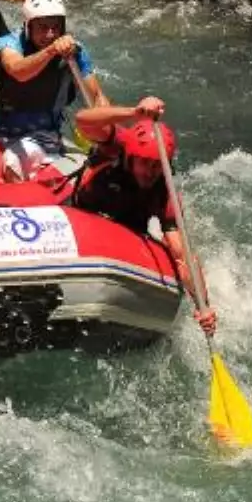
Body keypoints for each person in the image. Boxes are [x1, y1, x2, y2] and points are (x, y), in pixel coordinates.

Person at [72, 96, 217, 336]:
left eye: (158, 165)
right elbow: (83, 121)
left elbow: (182, 257)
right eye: (146, 163)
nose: (151, 172)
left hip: (128, 234)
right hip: (81, 215)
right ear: (131, 159)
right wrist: (134, 112)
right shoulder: (116, 147)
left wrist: (204, 306)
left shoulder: (164, 191)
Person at [0, 0, 109, 181]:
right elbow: (18, 71)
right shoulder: (10, 43)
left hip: (43, 135)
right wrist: (52, 50)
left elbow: (96, 97)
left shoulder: (75, 52)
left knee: (12, 163)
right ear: (28, 26)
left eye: (56, 27)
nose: (51, 34)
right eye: (43, 27)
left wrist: (109, 135)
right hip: (2, 129)